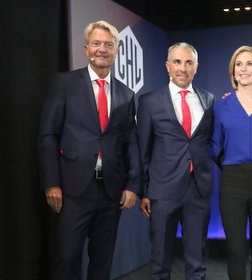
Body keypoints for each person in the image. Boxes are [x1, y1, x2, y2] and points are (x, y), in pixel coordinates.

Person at [38, 20, 141, 279]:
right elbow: (48, 135)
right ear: (86, 49)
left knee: (103, 260)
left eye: (108, 45)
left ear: (117, 50)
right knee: (68, 257)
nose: (102, 49)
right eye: (96, 44)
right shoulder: (64, 84)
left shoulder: (127, 95)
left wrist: (132, 185)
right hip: (72, 190)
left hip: (111, 191)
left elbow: (131, 143)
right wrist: (51, 183)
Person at [137, 42, 215, 280]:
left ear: (196, 67)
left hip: (197, 190)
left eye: (189, 62)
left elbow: (208, 142)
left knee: (197, 262)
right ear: (168, 66)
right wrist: (144, 192)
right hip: (162, 191)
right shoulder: (149, 101)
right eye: (178, 62)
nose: (183, 68)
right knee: (160, 262)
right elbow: (143, 149)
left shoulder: (208, 99)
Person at [210, 46, 252, 280]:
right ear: (233, 70)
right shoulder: (221, 106)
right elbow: (215, 147)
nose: (244, 69)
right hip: (232, 181)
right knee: (236, 249)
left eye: (249, 64)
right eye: (239, 64)